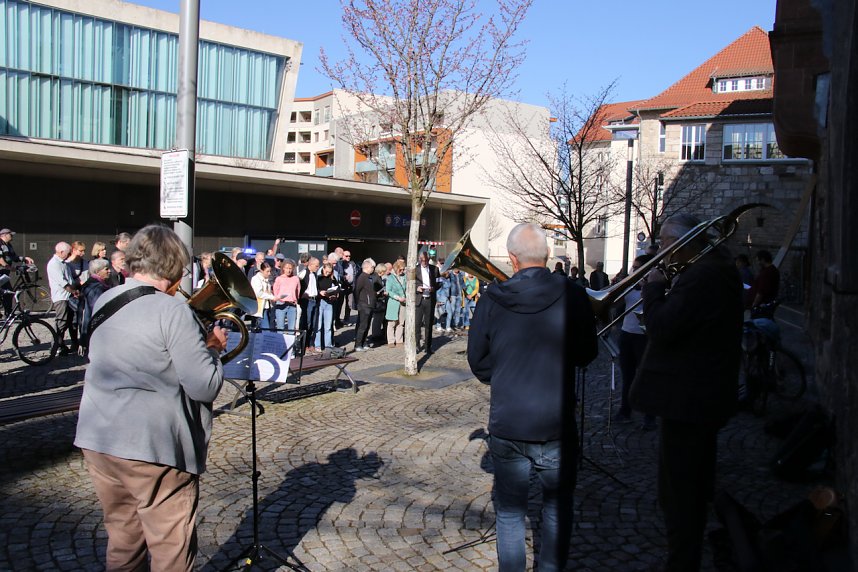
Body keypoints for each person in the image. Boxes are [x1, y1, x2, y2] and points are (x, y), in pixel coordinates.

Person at [75, 225, 227, 572]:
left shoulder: (106, 298)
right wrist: (214, 350)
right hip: (153, 446)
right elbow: (204, 386)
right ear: (173, 266)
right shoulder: (173, 311)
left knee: (124, 542)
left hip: (100, 439)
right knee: (170, 549)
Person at [467, 223, 597, 572]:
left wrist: (507, 376)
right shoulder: (573, 293)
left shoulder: (492, 298)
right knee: (556, 507)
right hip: (556, 422)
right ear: (548, 255)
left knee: (510, 513)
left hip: (509, 421)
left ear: (512, 259)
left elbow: (478, 361)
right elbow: (587, 353)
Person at [629, 213, 744, 572]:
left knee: (680, 493)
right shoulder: (712, 271)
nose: (661, 251)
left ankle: (682, 561)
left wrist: (653, 288)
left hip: (689, 399)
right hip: (698, 396)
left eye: (664, 243)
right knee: (687, 485)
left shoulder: (703, 275)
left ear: (684, 242)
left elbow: (662, 327)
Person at [613, 254, 656, 431]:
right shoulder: (630, 286)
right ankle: (625, 411)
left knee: (646, 378)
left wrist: (648, 287)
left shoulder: (654, 286)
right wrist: (618, 287)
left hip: (644, 336)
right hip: (627, 333)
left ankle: (649, 416)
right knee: (627, 376)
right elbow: (616, 304)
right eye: (634, 267)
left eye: (638, 267)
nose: (635, 270)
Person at [47, 241, 80, 355]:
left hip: (67, 296)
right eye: (68, 252)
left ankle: (62, 345)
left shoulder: (64, 263)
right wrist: (73, 291)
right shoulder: (54, 264)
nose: (70, 254)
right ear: (61, 252)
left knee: (69, 321)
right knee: (61, 322)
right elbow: (62, 282)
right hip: (61, 297)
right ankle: (55, 346)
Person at [78, 258, 112, 355]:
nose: (109, 271)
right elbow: (97, 311)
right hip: (96, 331)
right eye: (106, 269)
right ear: (97, 271)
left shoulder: (95, 284)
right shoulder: (96, 287)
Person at [0, 228, 34, 316]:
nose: (12, 236)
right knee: (8, 292)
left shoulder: (8, 245)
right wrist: (10, 267)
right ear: (4, 235)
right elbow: (1, 260)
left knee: (7, 293)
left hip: (5, 273)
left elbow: (14, 257)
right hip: (1, 272)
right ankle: (8, 313)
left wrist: (25, 258)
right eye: (10, 234)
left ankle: (8, 313)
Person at [415, 251, 439, 354]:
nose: (424, 262)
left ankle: (427, 347)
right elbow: (409, 284)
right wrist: (417, 288)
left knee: (429, 324)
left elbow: (439, 282)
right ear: (419, 259)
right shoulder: (415, 270)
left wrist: (434, 288)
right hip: (419, 300)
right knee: (417, 324)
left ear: (429, 259)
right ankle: (416, 345)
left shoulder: (434, 269)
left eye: (426, 260)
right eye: (422, 260)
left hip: (430, 299)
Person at [315, 262, 341, 351]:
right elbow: (315, 289)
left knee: (328, 326)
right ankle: (317, 345)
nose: (327, 274)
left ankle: (328, 345)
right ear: (323, 269)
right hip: (320, 301)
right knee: (318, 325)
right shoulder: (318, 278)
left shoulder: (333, 279)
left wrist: (335, 295)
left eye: (329, 272)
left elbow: (338, 289)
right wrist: (320, 292)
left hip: (329, 302)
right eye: (326, 271)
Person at [353, 258, 377, 352]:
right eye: (372, 267)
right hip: (364, 305)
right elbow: (356, 290)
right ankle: (358, 344)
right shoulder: (362, 277)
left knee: (367, 325)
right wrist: (358, 302)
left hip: (370, 304)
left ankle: (364, 342)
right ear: (367, 267)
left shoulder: (369, 277)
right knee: (362, 325)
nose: (373, 269)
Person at [273, 258, 300, 331]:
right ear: (283, 268)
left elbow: (298, 290)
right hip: (281, 304)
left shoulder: (296, 279)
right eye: (287, 268)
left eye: (290, 268)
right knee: (280, 328)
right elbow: (275, 291)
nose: (289, 270)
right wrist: (278, 299)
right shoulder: (279, 279)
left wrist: (296, 299)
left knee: (291, 328)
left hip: (292, 305)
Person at [385, 260, 406, 346]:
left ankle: (399, 340)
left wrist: (405, 297)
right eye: (400, 269)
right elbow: (388, 290)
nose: (402, 271)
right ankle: (390, 341)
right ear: (396, 268)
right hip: (394, 302)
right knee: (392, 322)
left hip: (403, 302)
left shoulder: (404, 277)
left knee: (401, 322)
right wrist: (397, 297)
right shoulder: (390, 278)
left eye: (403, 269)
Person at [250, 261, 276, 329]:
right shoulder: (256, 279)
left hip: (267, 307)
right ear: (261, 270)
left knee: (265, 329)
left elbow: (268, 291)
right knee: (265, 329)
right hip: (259, 308)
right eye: (267, 271)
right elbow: (258, 293)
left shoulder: (267, 280)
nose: (269, 273)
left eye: (270, 271)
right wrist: (271, 297)